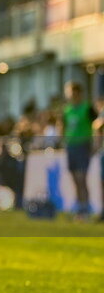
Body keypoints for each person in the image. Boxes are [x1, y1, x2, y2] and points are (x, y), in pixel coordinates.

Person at [62, 81, 96, 218]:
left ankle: (86, 207)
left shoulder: (87, 108)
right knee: (75, 178)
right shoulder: (67, 110)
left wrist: (95, 143)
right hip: (71, 146)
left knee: (82, 178)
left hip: (83, 145)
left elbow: (96, 125)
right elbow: (64, 127)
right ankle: (79, 206)